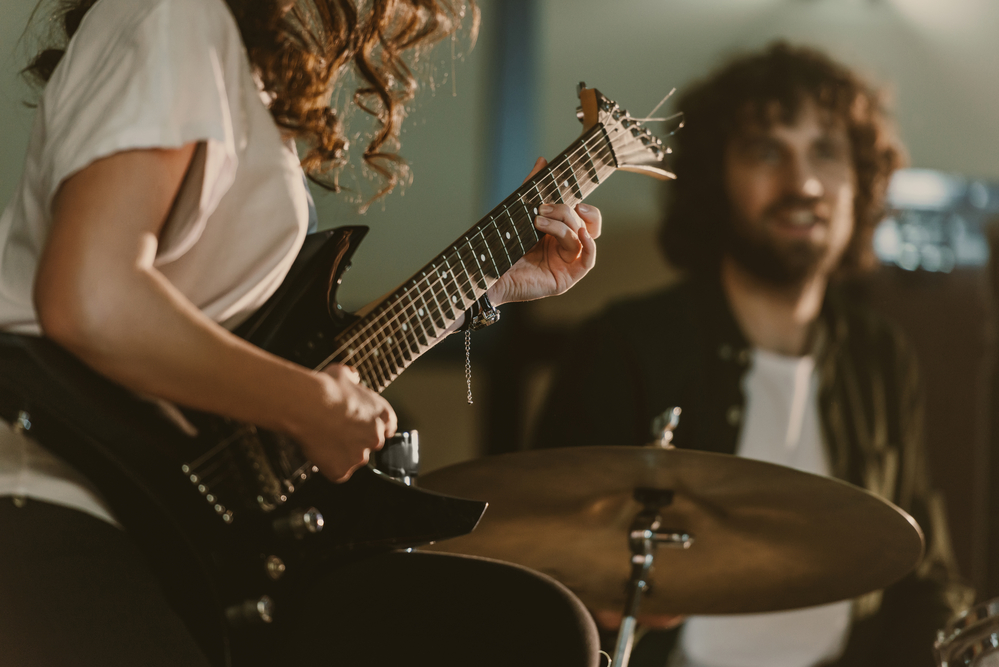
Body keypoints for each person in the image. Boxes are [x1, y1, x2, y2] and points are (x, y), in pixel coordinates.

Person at [0, 0, 605, 664]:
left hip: (172, 516)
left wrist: (487, 286)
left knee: (536, 626)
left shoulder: (231, 50)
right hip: (55, 486)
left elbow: (260, 348)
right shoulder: (174, 14)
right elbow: (91, 297)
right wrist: (307, 404)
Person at [532, 42, 971, 667]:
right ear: (717, 179)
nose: (804, 183)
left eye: (826, 150)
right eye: (767, 151)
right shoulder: (624, 344)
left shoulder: (881, 356)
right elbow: (535, 558)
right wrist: (590, 598)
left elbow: (927, 570)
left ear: (860, 180)